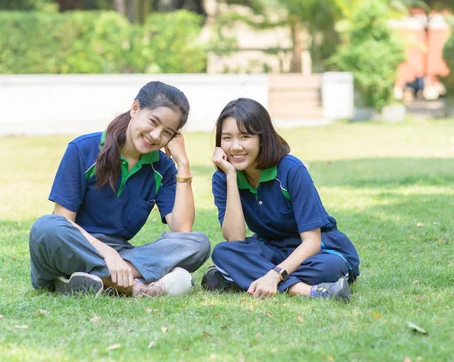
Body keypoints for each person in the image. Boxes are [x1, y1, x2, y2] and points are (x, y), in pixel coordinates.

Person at [29, 81, 211, 297]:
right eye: (153, 122)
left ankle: (95, 281)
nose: (155, 135)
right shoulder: (83, 149)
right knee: (46, 227)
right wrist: (107, 254)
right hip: (74, 245)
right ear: (135, 109)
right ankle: (136, 285)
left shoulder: (163, 168)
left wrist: (183, 164)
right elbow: (63, 220)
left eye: (167, 132)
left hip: (122, 253)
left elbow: (182, 231)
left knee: (199, 243)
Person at [202, 98, 360, 301]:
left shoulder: (292, 170)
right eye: (227, 138)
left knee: (330, 267)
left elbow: (312, 242)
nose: (235, 147)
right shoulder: (223, 178)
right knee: (224, 252)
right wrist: (231, 177)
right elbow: (235, 239)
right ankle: (308, 290)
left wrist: (275, 274)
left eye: (245, 136)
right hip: (271, 249)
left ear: (262, 138)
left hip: (317, 251)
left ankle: (238, 277)